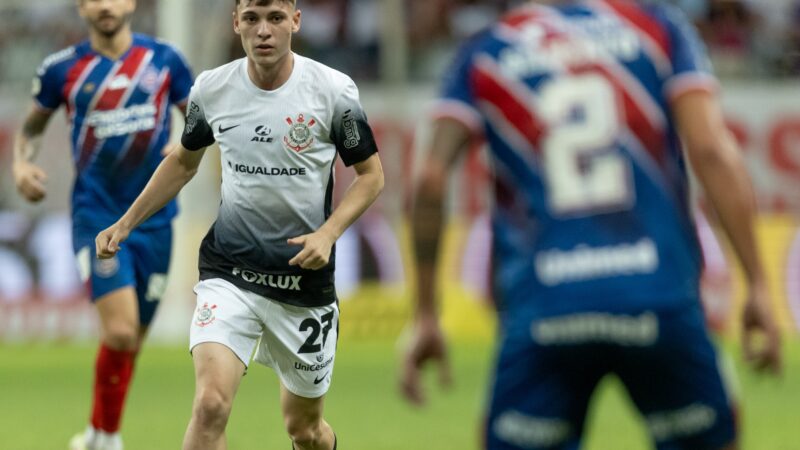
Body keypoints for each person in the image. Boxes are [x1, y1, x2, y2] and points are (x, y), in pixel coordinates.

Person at [401, 1, 781, 449]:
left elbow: (428, 181)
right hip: (657, 297)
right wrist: (756, 283)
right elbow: (712, 150)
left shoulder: (486, 52)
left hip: (546, 310)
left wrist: (426, 312)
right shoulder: (656, 29)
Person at [95, 1, 383, 449]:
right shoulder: (212, 89)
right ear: (236, 24)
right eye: (251, 18)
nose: (263, 30)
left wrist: (328, 233)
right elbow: (183, 164)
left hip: (302, 286)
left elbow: (371, 176)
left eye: (274, 18)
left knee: (304, 430)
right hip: (230, 275)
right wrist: (126, 222)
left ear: (295, 21)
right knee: (210, 404)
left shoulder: (333, 91)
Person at [11, 0, 193, 449]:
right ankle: (109, 439)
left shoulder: (165, 61)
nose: (105, 5)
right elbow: (32, 127)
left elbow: (199, 121)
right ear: (81, 6)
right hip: (96, 217)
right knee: (120, 330)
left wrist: (184, 143)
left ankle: (96, 433)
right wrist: (20, 164)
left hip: (155, 220)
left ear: (131, 3)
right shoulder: (62, 69)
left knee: (132, 340)